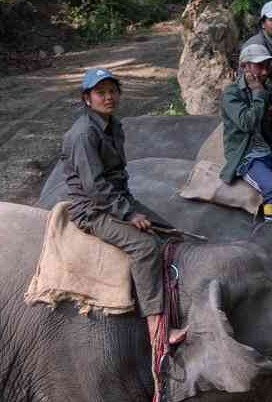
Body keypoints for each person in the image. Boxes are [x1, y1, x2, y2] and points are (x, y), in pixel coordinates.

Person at [60, 67, 181, 346]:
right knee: (145, 247)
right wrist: (130, 214)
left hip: (117, 199)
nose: (108, 97)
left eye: (112, 91)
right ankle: (156, 328)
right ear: (87, 99)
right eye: (100, 93)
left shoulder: (112, 126)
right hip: (93, 210)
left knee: (170, 232)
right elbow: (95, 188)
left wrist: (131, 207)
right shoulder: (83, 135)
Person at [220, 42, 272, 219]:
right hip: (247, 157)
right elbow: (247, 123)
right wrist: (258, 95)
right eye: (259, 66)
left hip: (269, 154)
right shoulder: (231, 94)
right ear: (244, 66)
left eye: (267, 66)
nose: (264, 72)